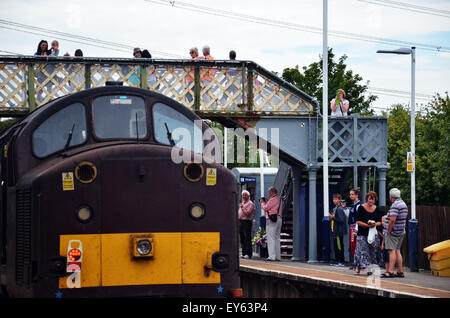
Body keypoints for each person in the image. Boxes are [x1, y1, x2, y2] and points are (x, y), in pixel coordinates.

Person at [353, 191, 382, 275]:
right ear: (366, 199)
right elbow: (358, 221)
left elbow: (380, 221)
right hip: (362, 233)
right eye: (369, 199)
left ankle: (371, 269)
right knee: (361, 251)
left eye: (372, 200)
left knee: (372, 251)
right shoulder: (361, 208)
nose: (371, 201)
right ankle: (358, 267)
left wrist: (374, 224)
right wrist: (367, 225)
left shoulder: (377, 209)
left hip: (373, 233)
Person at [381, 188, 408, 278]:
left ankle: (390, 271)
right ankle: (400, 271)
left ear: (391, 196)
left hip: (393, 232)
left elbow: (392, 220)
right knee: (397, 250)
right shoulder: (403, 204)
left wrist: (388, 231)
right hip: (401, 231)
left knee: (391, 251)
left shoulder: (395, 205)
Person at [260, 186, 283, 261]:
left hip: (272, 220)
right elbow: (273, 207)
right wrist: (267, 201)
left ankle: (272, 256)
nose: (268, 193)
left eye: (269, 192)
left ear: (272, 192)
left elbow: (265, 208)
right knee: (277, 237)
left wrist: (262, 203)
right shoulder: (279, 199)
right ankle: (277, 256)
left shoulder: (272, 199)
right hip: (279, 219)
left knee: (271, 238)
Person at [330, 194, 347, 266]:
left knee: (339, 246)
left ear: (339, 200)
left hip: (338, 231)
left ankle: (340, 260)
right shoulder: (336, 208)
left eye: (336, 199)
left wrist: (332, 217)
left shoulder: (339, 209)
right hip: (335, 230)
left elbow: (341, 220)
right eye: (334, 199)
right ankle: (337, 260)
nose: (334, 201)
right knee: (336, 246)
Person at [238, 190, 255, 259]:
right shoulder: (243, 203)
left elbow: (247, 213)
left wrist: (242, 207)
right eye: (243, 195)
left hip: (247, 222)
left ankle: (248, 253)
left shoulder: (250, 203)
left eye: (245, 195)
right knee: (242, 238)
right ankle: (243, 253)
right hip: (241, 221)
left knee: (247, 238)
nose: (244, 196)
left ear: (248, 196)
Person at [348, 188, 361, 269]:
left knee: (355, 245)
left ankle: (357, 264)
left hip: (354, 227)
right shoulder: (354, 205)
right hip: (351, 226)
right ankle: (355, 263)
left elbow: (358, 218)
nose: (351, 196)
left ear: (357, 195)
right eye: (350, 194)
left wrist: (356, 229)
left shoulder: (358, 205)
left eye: (352, 194)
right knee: (353, 245)